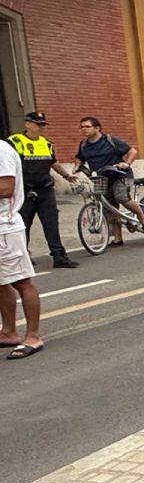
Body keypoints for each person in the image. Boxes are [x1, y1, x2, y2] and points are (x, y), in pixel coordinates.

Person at [10, 112, 80, 269]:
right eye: (38, 124)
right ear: (28, 124)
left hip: (45, 189)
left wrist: (66, 176)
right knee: (23, 224)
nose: (41, 127)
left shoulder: (46, 143)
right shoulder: (14, 142)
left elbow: (53, 162)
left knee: (51, 223)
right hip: (25, 190)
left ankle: (59, 256)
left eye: (43, 124)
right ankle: (23, 256)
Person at [75, 116, 144, 246]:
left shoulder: (110, 140)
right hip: (101, 178)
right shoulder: (84, 144)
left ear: (97, 128)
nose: (83, 129)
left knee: (121, 197)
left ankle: (143, 218)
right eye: (81, 127)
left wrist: (126, 163)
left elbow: (132, 151)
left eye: (87, 127)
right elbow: (79, 158)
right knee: (109, 208)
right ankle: (117, 239)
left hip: (120, 175)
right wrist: (76, 168)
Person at [0, 139, 43, 360]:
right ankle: (8, 332)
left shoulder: (1, 150)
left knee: (22, 281)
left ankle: (33, 336)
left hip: (4, 229)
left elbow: (6, 188)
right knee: (1, 282)